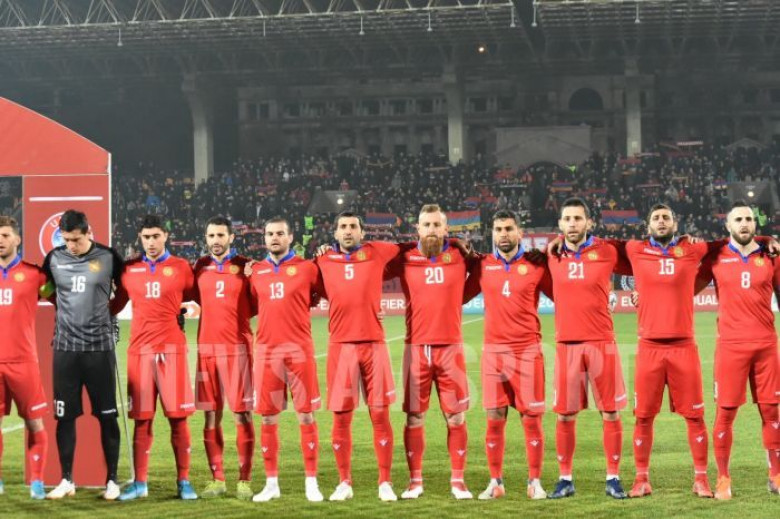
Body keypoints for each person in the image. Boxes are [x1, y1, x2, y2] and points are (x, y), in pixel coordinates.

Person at [620, 204, 713, 498]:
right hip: (649, 348)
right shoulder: (634, 249)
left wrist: (764, 240)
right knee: (643, 417)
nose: (661, 222)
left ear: (675, 223)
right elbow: (598, 248)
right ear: (647, 225)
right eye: (656, 218)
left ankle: (701, 480)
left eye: (666, 218)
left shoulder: (693, 249)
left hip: (684, 346)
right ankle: (641, 480)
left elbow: (727, 246)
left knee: (695, 417)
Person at [386, 204, 474, 500]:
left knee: (456, 418)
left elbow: (485, 269)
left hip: (451, 349)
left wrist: (461, 245)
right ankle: (415, 482)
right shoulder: (405, 258)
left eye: (437, 225)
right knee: (414, 417)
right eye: (427, 225)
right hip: (416, 350)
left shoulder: (461, 256)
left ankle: (458, 482)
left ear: (446, 229)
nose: (432, 230)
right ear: (418, 230)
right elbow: (370, 268)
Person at [545, 197, 631, 500]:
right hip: (567, 344)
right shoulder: (550, 255)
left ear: (589, 222)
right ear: (560, 224)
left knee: (611, 412)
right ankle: (565, 479)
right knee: (564, 416)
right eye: (567, 219)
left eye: (578, 218)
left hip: (602, 342)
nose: (572, 224)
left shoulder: (608, 251)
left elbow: (645, 259)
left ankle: (613, 478)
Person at [463, 210, 552, 500]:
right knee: (494, 417)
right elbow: (456, 295)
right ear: (493, 234)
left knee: (531, 418)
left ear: (520, 233)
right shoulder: (483, 265)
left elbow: (565, 293)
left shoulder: (536, 265)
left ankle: (534, 482)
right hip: (494, 353)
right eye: (498, 229)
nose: (503, 234)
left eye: (509, 228)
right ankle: (495, 482)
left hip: (527, 352)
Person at [314, 212, 402, 502]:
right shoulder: (323, 260)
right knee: (341, 418)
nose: (348, 231)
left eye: (353, 226)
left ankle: (385, 482)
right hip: (341, 346)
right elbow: (311, 288)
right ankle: (344, 482)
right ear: (335, 233)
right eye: (343, 227)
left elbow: (409, 251)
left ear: (362, 232)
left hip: (374, 345)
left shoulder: (377, 252)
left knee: (380, 415)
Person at [696, 201, 780, 499]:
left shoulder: (771, 256)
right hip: (731, 347)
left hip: (766, 345)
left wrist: (770, 242)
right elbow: (686, 288)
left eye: (748, 219)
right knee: (726, 412)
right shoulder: (716, 256)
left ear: (755, 224)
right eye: (738, 220)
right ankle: (723, 478)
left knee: (771, 411)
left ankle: (776, 474)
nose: (744, 223)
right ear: (728, 226)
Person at [113, 214, 198, 501]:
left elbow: (198, 297)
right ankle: (140, 483)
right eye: (146, 237)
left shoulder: (182, 268)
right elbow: (115, 305)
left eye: (155, 236)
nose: (151, 242)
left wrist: (183, 312)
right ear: (140, 237)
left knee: (178, 420)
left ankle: (184, 481)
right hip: (140, 353)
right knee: (142, 420)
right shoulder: (129, 270)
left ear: (165, 235)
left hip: (172, 351)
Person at [41, 210, 123, 501]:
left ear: (88, 232)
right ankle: (66, 480)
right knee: (64, 417)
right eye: (66, 240)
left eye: (76, 239)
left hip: (99, 350)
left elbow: (125, 291)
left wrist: (109, 314)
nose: (71, 246)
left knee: (107, 416)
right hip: (65, 351)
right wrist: (61, 307)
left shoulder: (109, 257)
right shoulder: (54, 258)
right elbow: (44, 288)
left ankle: (112, 480)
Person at [249, 217, 324, 503]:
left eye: (280, 233)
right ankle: (271, 484)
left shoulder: (308, 269)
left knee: (306, 414)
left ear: (290, 237)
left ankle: (311, 482)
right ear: (264, 238)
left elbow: (326, 294)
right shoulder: (256, 271)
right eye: (270, 233)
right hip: (266, 352)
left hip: (299, 351)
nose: (274, 238)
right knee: (268, 417)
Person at [192, 216, 255, 500]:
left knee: (242, 414)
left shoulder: (246, 266)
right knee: (210, 415)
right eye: (211, 235)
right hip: (207, 350)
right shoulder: (200, 266)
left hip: (237, 350)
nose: (215, 240)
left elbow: (258, 303)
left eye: (220, 235)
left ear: (231, 237)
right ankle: (217, 479)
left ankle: (244, 480)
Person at [0, 216, 48, 499]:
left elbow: (60, 298)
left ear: (17, 239)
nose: (0, 240)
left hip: (24, 361)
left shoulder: (35, 276)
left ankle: (37, 481)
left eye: (6, 235)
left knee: (34, 422)